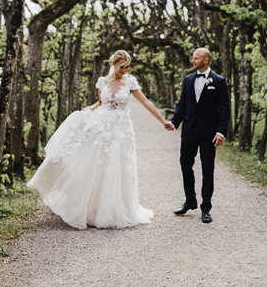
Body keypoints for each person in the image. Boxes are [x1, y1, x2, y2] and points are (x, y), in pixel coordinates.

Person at [27, 49, 174, 229]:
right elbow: (99, 104)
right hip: (101, 127)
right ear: (113, 64)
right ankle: (91, 208)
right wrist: (84, 113)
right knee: (97, 165)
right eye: (121, 67)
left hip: (121, 130)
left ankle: (116, 209)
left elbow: (146, 103)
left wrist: (162, 121)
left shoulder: (130, 82)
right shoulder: (102, 82)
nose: (124, 70)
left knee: (118, 166)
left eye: (127, 67)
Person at [168, 47, 230, 223]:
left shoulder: (218, 81)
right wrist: (174, 122)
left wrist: (221, 132)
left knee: (207, 169)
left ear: (206, 60)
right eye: (193, 58)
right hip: (189, 131)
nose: (193, 61)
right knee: (185, 164)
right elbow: (182, 104)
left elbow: (224, 109)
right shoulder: (188, 80)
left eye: (196, 58)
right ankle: (190, 200)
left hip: (209, 133)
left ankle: (206, 207)